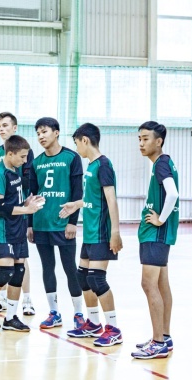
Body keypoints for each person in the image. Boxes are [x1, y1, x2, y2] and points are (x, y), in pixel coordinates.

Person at [59, 123, 124, 347]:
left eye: (77, 143)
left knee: (96, 279)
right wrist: (75, 205)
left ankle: (113, 329)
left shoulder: (103, 165)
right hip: (89, 232)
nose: (77, 148)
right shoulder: (91, 165)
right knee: (83, 277)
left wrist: (115, 232)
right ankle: (94, 323)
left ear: (85, 140)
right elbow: (92, 198)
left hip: (101, 233)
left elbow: (111, 200)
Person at [0, 135, 45, 332]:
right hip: (4, 230)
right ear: (10, 154)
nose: (25, 161)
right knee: (5, 271)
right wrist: (26, 210)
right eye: (22, 157)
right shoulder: (0, 174)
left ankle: (11, 318)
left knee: (19, 271)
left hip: (18, 227)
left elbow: (13, 200)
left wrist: (27, 203)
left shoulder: (15, 171)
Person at [28, 117, 85, 330]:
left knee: (70, 268)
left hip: (62, 223)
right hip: (41, 223)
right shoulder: (36, 162)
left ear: (56, 132)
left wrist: (72, 222)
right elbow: (32, 195)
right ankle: (54, 312)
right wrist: (30, 223)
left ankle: (79, 313)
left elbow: (78, 191)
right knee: (47, 267)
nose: (41, 136)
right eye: (38, 133)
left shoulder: (72, 157)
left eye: (44, 132)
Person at [131, 121, 179, 360]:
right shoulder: (163, 163)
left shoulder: (161, 164)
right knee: (161, 285)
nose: (141, 143)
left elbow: (173, 194)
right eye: (139, 139)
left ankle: (158, 342)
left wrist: (160, 219)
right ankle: (164, 337)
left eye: (146, 139)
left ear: (158, 141)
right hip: (159, 235)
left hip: (155, 234)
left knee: (149, 285)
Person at [0, 111, 35, 316]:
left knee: (20, 263)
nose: (1, 129)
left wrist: (28, 209)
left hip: (21, 212)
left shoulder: (24, 151)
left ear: (14, 128)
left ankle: (26, 299)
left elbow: (28, 181)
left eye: (5, 125)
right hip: (4, 214)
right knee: (4, 260)